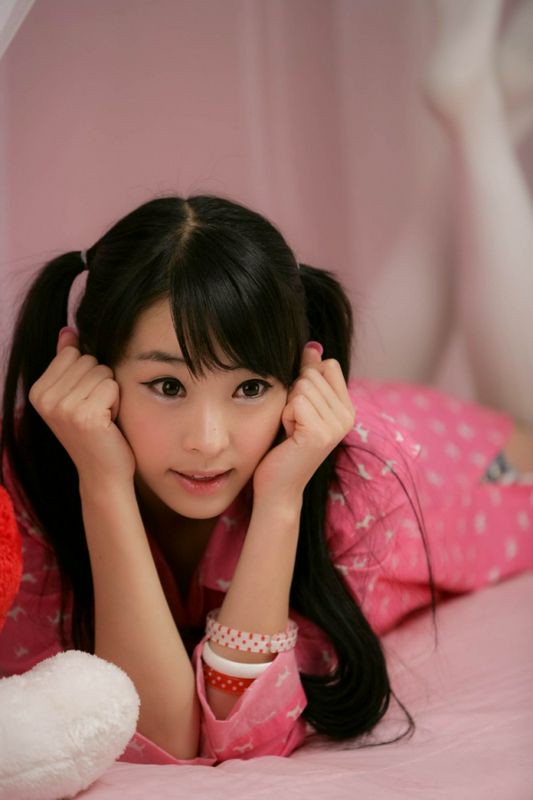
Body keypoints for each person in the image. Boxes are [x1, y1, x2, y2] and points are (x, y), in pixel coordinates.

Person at [1, 0, 533, 766]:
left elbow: (239, 731)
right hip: (313, 432)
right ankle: (481, 108)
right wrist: (102, 483)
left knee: (524, 420)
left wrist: (282, 498)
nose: (206, 440)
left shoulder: (359, 483)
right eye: (166, 387)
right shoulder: (31, 483)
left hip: (428, 460)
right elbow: (159, 730)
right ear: (92, 370)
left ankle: (478, 117)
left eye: (249, 386)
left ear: (294, 379)